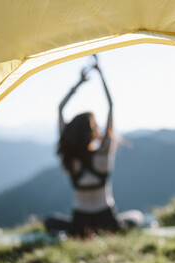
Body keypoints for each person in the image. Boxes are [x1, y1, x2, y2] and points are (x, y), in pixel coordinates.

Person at [44, 58, 143, 238]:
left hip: (80, 223)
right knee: (137, 216)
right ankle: (107, 232)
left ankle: (81, 235)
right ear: (92, 132)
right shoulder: (104, 153)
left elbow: (60, 109)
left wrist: (79, 83)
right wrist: (101, 74)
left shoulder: (69, 156)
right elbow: (111, 106)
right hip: (107, 220)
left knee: (50, 220)